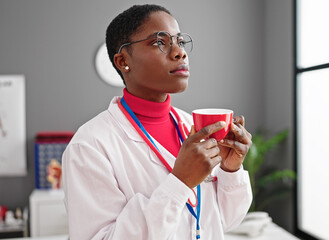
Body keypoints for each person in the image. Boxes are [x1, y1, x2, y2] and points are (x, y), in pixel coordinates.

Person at [62, 4, 252, 240]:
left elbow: (224, 220)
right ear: (122, 61)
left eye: (180, 42)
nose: (179, 52)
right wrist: (179, 183)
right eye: (159, 42)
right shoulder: (90, 146)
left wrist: (230, 169)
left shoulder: (191, 126)